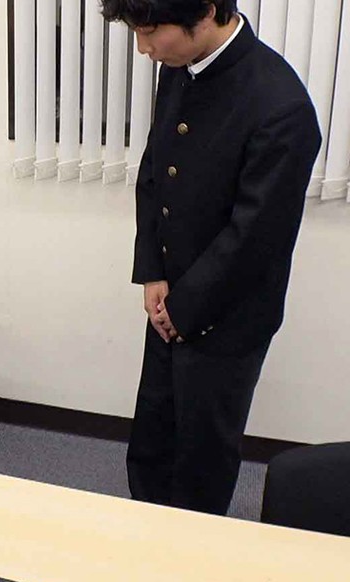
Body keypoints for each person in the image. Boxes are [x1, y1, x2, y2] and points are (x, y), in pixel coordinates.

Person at [101, 1, 321, 514]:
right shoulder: (180, 69)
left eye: (150, 32)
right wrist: (152, 273)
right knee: (153, 436)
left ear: (205, 11)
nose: (142, 48)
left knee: (203, 456)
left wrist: (184, 309)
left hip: (228, 315)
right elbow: (155, 174)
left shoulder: (281, 105)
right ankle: (143, 527)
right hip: (169, 300)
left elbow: (256, 237)